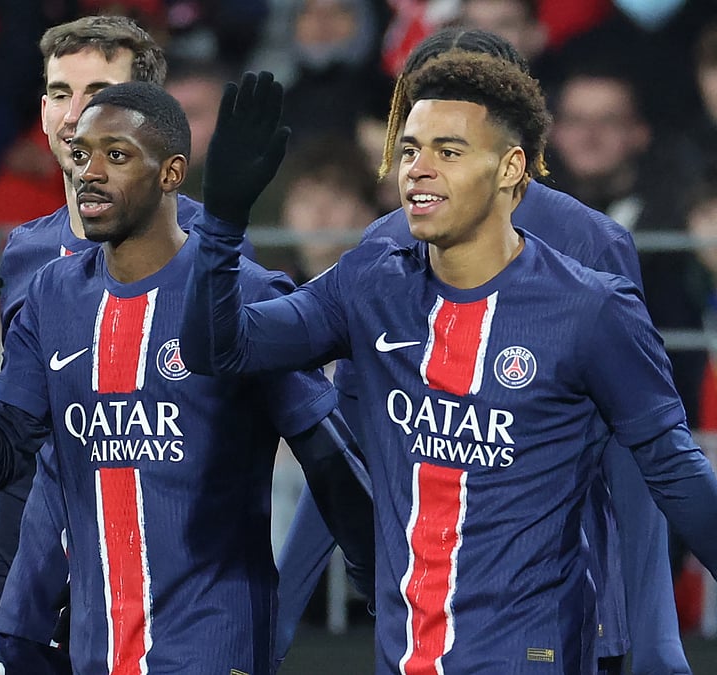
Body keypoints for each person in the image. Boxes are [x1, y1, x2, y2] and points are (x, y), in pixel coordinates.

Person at [180, 56, 717, 672]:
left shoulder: (590, 308)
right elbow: (220, 349)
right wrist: (221, 223)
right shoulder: (370, 285)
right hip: (403, 654)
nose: (419, 169)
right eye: (409, 150)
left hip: (530, 654)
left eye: (449, 151)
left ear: (511, 168)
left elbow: (674, 472)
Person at [0, 80, 373, 674]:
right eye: (82, 154)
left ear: (171, 174)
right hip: (97, 652)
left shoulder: (240, 296)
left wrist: (385, 590)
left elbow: (330, 459)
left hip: (216, 648)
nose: (91, 172)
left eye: (117, 156)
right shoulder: (52, 298)